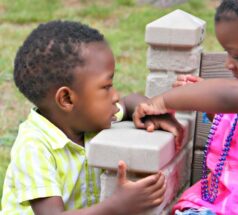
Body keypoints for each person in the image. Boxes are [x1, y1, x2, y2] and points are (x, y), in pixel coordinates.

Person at [133, 0, 238, 214]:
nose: (228, 64)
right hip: (211, 204)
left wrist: (165, 101)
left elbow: (229, 96)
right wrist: (208, 105)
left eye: (237, 55)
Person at [1, 20, 183, 215]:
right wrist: (117, 205)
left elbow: (129, 102)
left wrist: (148, 110)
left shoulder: (87, 117)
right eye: (106, 87)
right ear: (67, 99)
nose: (114, 96)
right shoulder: (34, 148)